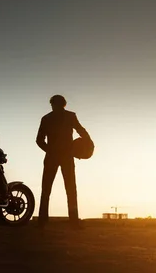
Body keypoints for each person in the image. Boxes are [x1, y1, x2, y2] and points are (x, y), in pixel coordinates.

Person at [36, 94, 91, 229]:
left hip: (57, 157)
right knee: (69, 189)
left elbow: (39, 140)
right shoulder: (67, 116)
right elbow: (81, 130)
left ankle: (44, 221)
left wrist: (50, 150)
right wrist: (89, 142)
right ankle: (72, 221)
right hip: (63, 156)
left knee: (51, 189)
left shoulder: (48, 118)